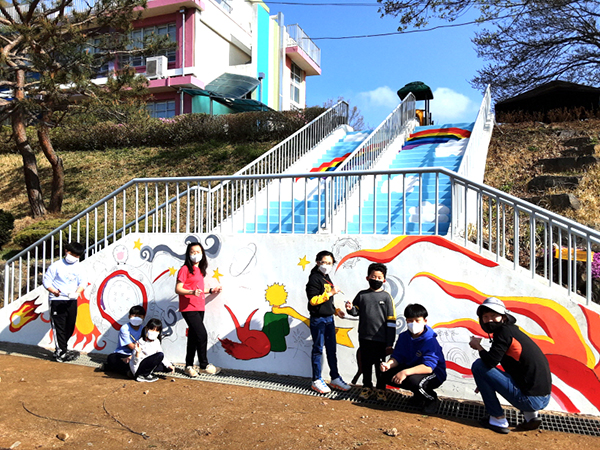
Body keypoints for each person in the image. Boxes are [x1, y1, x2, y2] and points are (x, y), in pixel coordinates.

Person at [469, 297, 552, 434]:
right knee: (485, 370)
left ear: (503, 317)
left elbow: (489, 362)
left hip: (531, 400)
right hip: (543, 397)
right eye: (485, 316)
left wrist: (478, 347)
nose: (489, 320)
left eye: (494, 316)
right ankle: (531, 417)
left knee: (479, 365)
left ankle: (497, 419)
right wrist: (485, 380)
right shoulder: (512, 332)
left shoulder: (503, 333)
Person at [380, 303, 446, 414]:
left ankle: (431, 399)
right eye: (410, 321)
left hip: (434, 373)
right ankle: (419, 396)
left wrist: (405, 372)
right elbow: (398, 356)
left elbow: (429, 367)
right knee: (386, 374)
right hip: (413, 369)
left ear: (425, 321)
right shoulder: (404, 337)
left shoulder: (430, 341)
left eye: (417, 320)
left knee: (415, 382)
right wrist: (388, 364)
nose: (413, 324)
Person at [345, 262, 396, 402]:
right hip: (364, 337)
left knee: (380, 366)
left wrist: (389, 342)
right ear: (368, 278)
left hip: (381, 340)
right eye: (374, 276)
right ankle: (367, 387)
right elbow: (356, 311)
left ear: (384, 280)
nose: (376, 280)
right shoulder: (362, 295)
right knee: (366, 364)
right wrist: (350, 308)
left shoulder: (387, 297)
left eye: (379, 277)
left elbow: (391, 321)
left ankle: (381, 390)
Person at [305, 250, 351, 394]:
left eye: (330, 263)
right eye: (324, 262)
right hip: (318, 319)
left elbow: (327, 301)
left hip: (329, 319)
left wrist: (336, 311)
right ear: (318, 262)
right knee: (318, 349)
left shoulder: (327, 278)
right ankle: (316, 380)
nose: (326, 265)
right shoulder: (314, 278)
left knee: (332, 350)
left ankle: (335, 378)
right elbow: (313, 301)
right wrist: (331, 293)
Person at [175, 242, 222, 377]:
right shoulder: (185, 269)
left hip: (199, 307)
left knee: (194, 337)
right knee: (202, 334)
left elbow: (199, 290)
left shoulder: (200, 270)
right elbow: (178, 288)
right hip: (188, 307)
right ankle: (203, 365)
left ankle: (188, 366)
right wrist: (191, 293)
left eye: (198, 251)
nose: (196, 254)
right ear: (188, 254)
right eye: (193, 252)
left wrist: (211, 290)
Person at [42, 241, 85, 363]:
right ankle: (61, 351)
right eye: (74, 255)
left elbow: (83, 282)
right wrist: (54, 291)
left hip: (71, 300)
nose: (75, 258)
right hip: (57, 300)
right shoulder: (56, 266)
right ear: (67, 251)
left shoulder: (79, 267)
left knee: (70, 326)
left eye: (78, 256)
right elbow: (47, 282)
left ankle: (62, 349)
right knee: (59, 326)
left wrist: (77, 292)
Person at [104, 305, 146, 376]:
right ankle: (128, 371)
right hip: (123, 354)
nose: (136, 318)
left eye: (139, 316)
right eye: (134, 315)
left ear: (143, 317)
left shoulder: (144, 330)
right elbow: (131, 346)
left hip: (138, 355)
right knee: (112, 358)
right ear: (129, 316)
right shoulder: (125, 328)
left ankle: (109, 368)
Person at [130, 318, 174, 382]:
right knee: (159, 355)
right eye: (152, 329)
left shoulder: (156, 341)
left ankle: (148, 372)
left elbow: (161, 355)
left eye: (157, 331)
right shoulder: (140, 343)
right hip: (139, 369)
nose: (154, 332)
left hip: (149, 364)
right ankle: (143, 375)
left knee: (166, 367)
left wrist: (169, 365)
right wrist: (137, 353)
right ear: (146, 329)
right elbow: (135, 362)